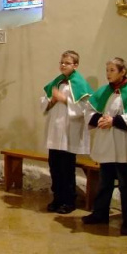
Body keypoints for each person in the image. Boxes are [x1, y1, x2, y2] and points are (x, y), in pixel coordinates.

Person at [82, 57, 127, 236]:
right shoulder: (103, 92)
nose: (108, 74)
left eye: (112, 70)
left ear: (122, 71)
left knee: (126, 185)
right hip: (106, 144)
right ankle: (100, 214)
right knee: (105, 182)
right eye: (107, 70)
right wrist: (100, 119)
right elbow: (88, 111)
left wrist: (115, 120)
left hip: (124, 145)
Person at [41, 50, 93, 214]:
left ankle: (69, 201)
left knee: (66, 167)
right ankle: (57, 198)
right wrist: (52, 100)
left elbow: (85, 107)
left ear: (75, 65)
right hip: (55, 130)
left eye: (67, 63)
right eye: (61, 62)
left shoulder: (80, 84)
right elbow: (44, 102)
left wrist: (64, 100)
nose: (63, 65)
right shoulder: (56, 82)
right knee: (54, 166)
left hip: (69, 131)